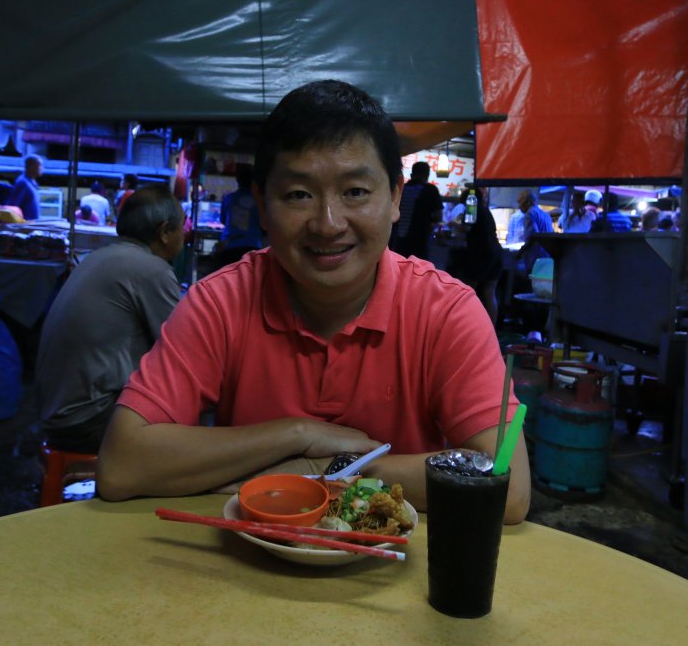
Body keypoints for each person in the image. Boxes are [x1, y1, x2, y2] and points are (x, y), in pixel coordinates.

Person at [97, 80, 530, 523]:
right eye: (299, 195)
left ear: (395, 196)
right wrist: (298, 434)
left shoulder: (446, 310)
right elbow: (120, 465)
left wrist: (325, 470)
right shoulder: (222, 300)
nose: (327, 224)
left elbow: (508, 485)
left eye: (355, 192)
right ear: (263, 206)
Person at [37, 185, 185, 454]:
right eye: (182, 227)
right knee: (191, 420)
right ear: (164, 231)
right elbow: (182, 350)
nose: (184, 235)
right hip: (86, 420)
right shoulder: (152, 269)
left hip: (54, 412)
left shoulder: (98, 257)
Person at [459, 185, 504, 327]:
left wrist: (455, 226)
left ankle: (463, 326)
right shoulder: (486, 210)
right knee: (489, 292)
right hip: (496, 253)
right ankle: (491, 330)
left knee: (466, 290)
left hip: (482, 254)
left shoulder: (472, 207)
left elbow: (466, 227)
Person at [389, 161, 443, 261]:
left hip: (396, 239)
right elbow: (438, 215)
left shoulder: (401, 189)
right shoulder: (430, 190)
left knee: (397, 265)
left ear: (412, 174)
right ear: (427, 175)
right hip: (419, 239)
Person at [214, 162, 264, 269]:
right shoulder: (259, 200)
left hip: (231, 246)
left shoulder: (229, 198)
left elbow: (223, 220)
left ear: (237, 180)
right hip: (253, 246)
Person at [6, 154, 43, 220]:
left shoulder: (32, 183)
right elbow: (12, 207)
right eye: (39, 165)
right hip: (25, 227)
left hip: (33, 225)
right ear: (30, 166)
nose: (41, 168)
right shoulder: (22, 183)